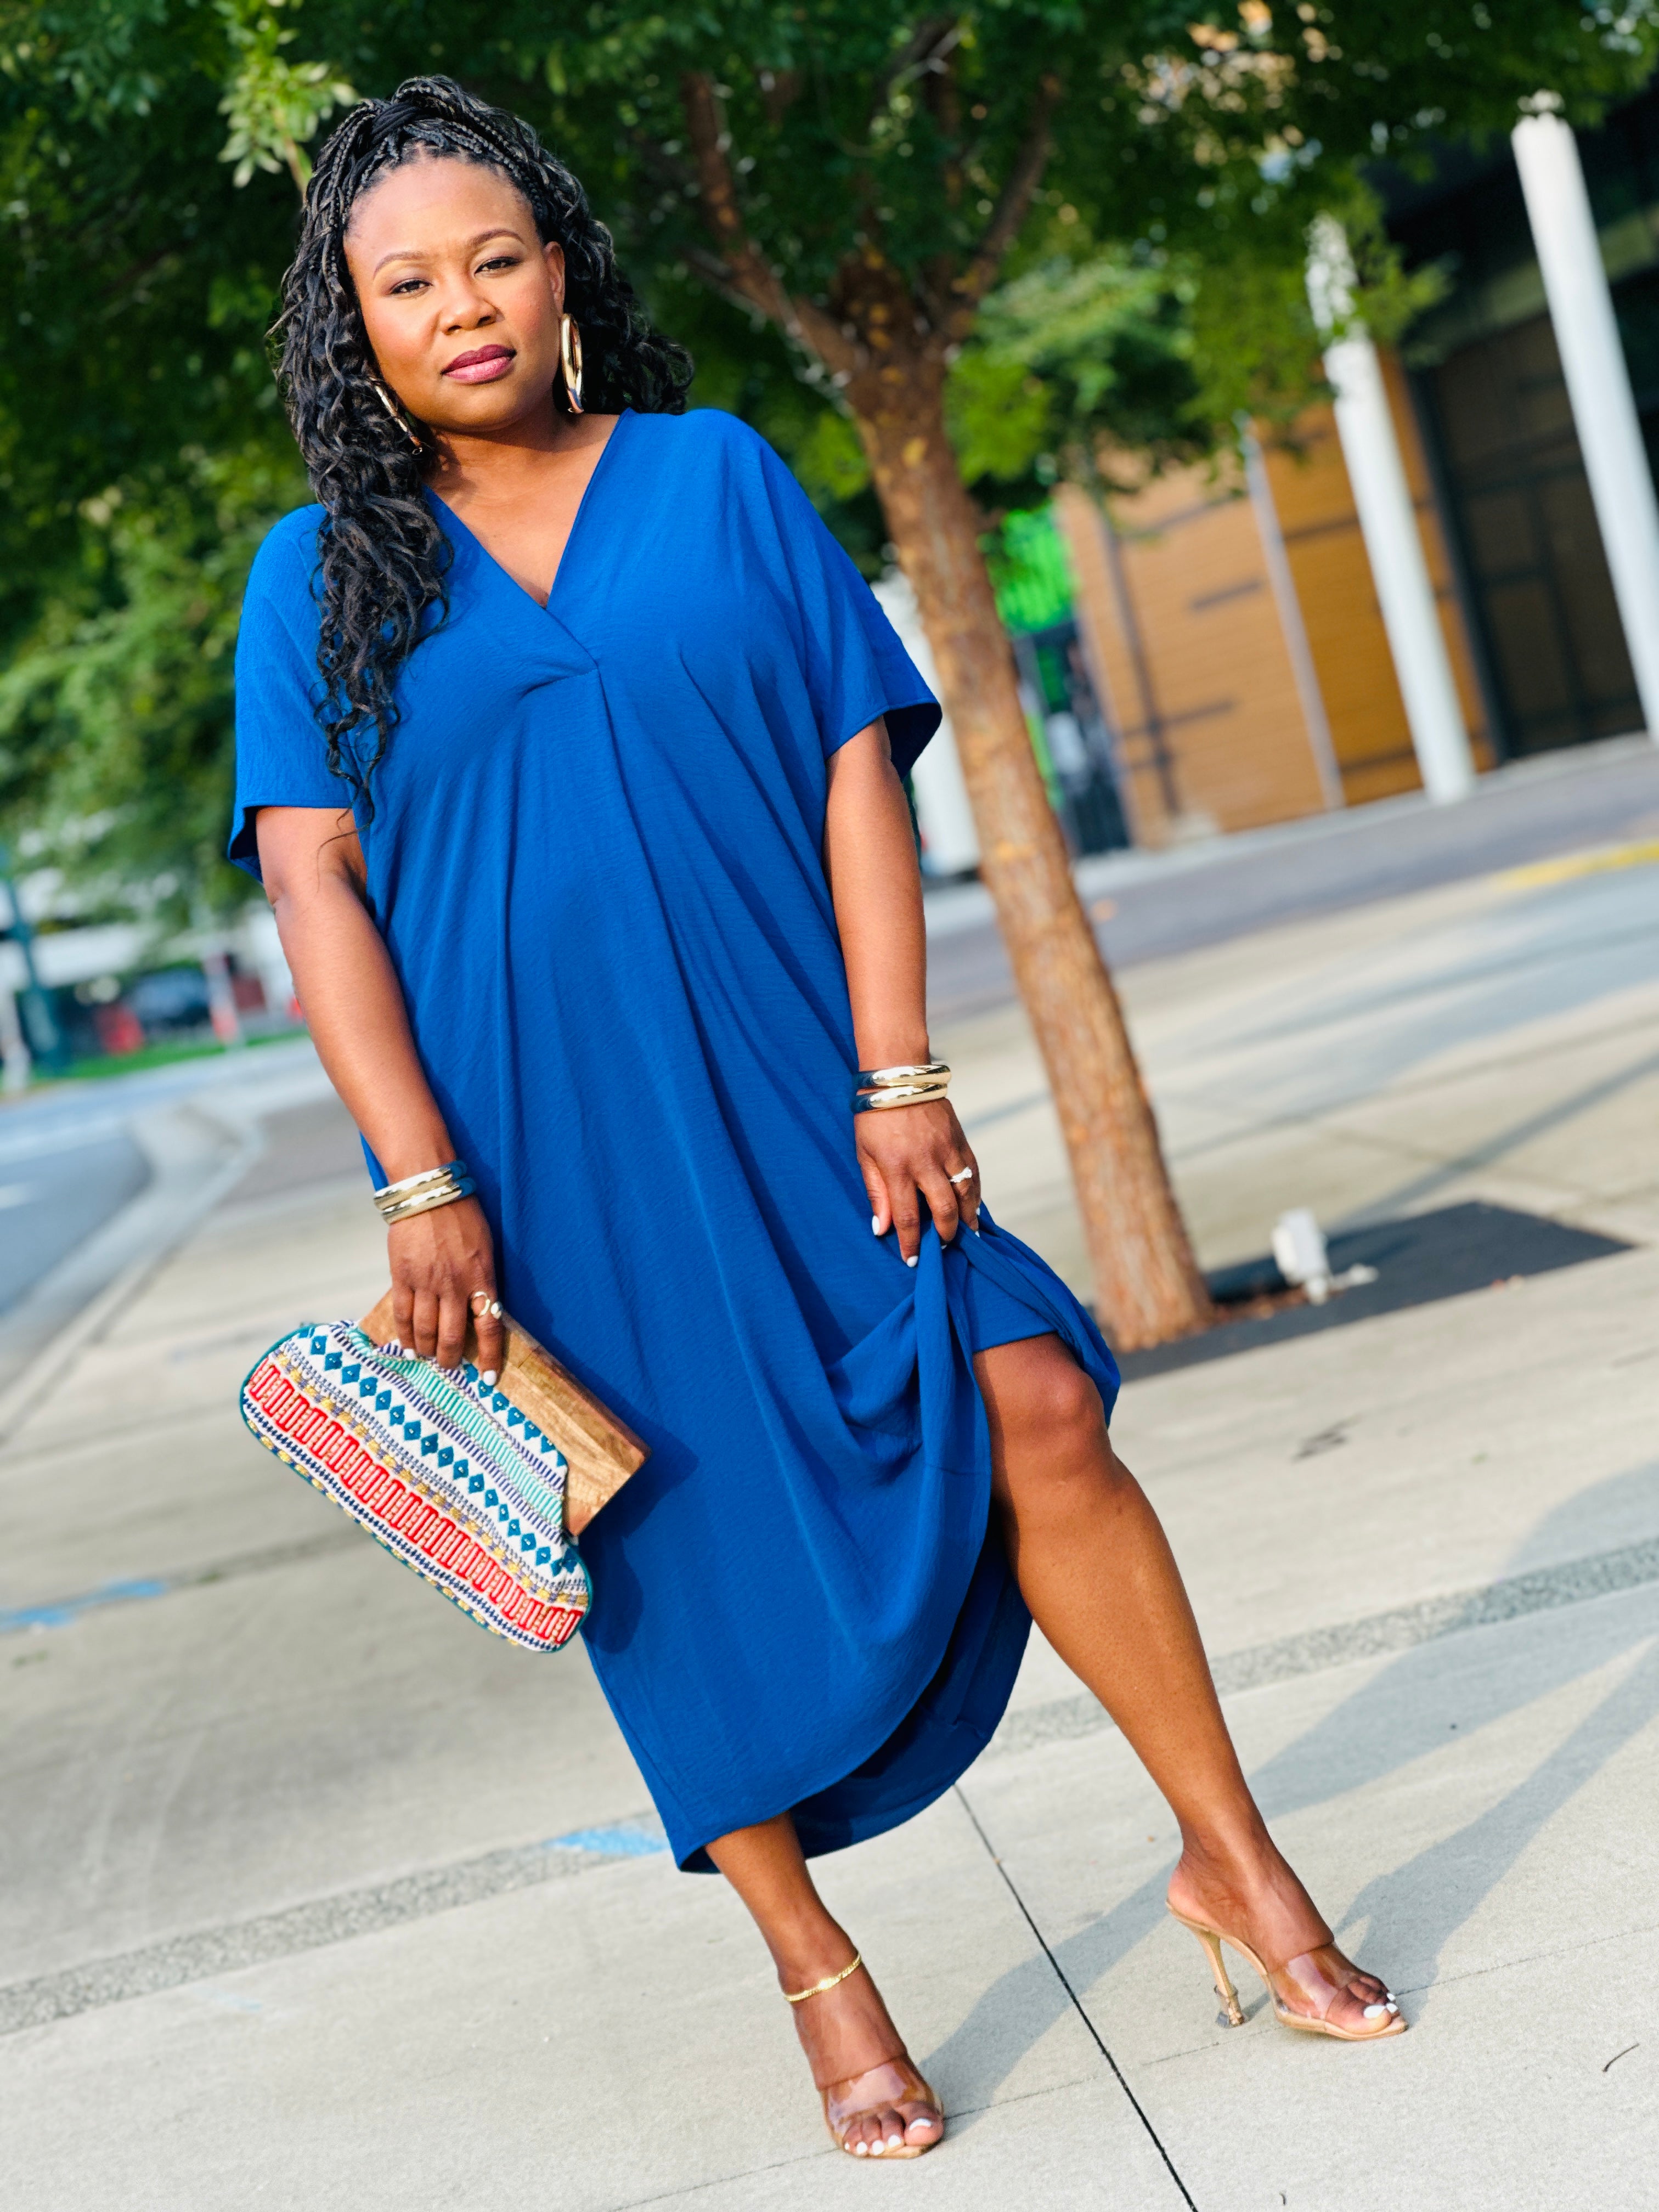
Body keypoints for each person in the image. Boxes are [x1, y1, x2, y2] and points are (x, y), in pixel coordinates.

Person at [232, 76, 1402, 2165]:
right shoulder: (316, 578)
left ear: (565, 271)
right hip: (534, 1154)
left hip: (802, 1082)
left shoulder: (714, 478)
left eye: (497, 258)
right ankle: (818, 1972)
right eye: (407, 283)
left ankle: (1235, 1859)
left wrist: (901, 1068)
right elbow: (316, 882)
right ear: (354, 324)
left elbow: (863, 760)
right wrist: (418, 1176)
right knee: (660, 1555)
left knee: (1032, 1390)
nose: (465, 306)